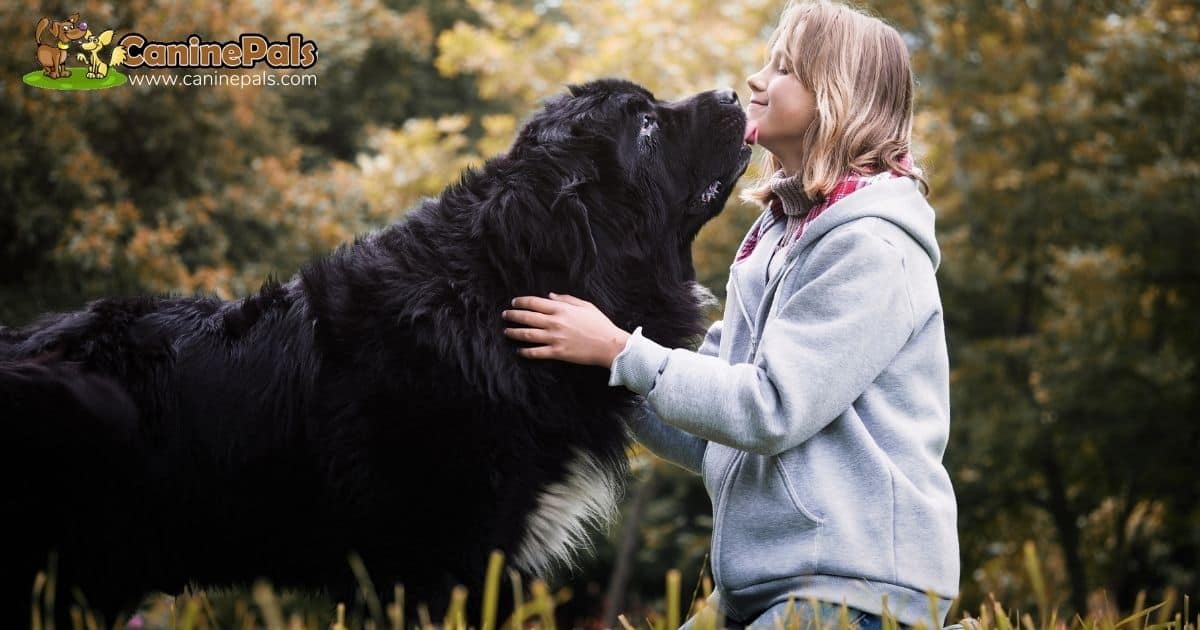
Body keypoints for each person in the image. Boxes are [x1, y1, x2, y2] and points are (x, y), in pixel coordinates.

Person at [499, 1, 960, 628]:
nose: (756, 81)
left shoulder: (872, 248)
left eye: (785, 68)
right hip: (762, 584)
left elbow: (767, 409)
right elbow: (706, 426)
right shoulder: (778, 238)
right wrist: (597, 372)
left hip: (854, 590)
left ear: (836, 97)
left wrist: (620, 352)